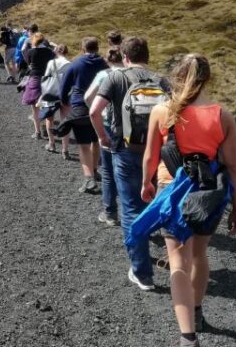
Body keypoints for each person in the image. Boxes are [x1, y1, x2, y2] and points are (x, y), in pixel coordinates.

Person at [141, 54, 236, 347]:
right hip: (209, 196)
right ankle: (197, 311)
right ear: (207, 79)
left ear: (177, 77)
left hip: (171, 190)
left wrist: (146, 185)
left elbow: (150, 156)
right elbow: (233, 165)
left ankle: (188, 337)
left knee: (178, 262)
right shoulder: (223, 115)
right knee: (200, 255)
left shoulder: (163, 112)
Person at [90, 36, 170, 292]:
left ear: (125, 57)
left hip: (124, 150)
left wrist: (104, 138)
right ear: (147, 55)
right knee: (156, 200)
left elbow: (94, 110)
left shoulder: (115, 77)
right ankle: (169, 254)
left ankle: (142, 273)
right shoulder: (161, 80)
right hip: (157, 151)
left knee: (130, 207)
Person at [58, 37, 108, 193]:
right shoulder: (104, 64)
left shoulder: (75, 64)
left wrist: (65, 102)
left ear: (83, 48)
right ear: (97, 48)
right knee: (96, 140)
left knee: (83, 145)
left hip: (80, 107)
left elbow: (64, 88)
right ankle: (94, 170)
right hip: (100, 107)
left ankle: (89, 179)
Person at [84, 48, 125, 225]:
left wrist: (99, 113)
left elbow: (87, 97)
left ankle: (110, 213)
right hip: (134, 126)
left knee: (108, 170)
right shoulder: (133, 74)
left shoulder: (104, 74)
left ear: (108, 60)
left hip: (109, 125)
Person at [21, 32, 55, 140]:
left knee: (35, 107)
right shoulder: (50, 52)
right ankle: (46, 127)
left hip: (34, 78)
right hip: (47, 79)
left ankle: (37, 132)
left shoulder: (31, 52)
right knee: (46, 106)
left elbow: (29, 63)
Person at [42, 44, 71, 154]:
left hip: (51, 93)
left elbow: (46, 77)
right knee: (65, 120)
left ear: (57, 51)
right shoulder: (70, 64)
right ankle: (65, 149)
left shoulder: (51, 62)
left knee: (49, 118)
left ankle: (52, 144)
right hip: (65, 94)